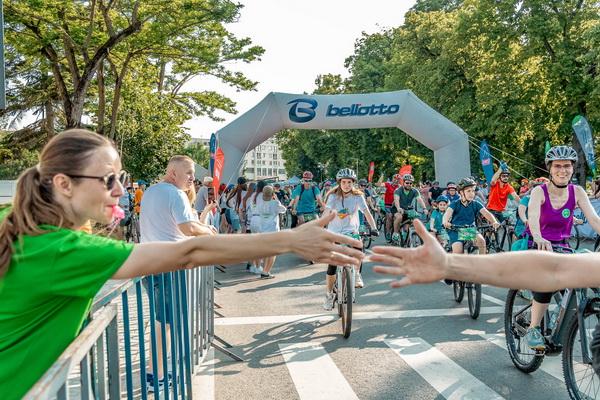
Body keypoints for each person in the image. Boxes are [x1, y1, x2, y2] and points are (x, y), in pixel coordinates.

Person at [0, 129, 365, 400]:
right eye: (109, 179)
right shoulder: (60, 249)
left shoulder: (20, 225)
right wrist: (290, 240)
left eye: (121, 179)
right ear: (63, 184)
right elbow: (189, 252)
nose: (121, 191)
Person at [520, 146, 600, 350]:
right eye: (557, 166)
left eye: (567, 166)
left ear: (572, 168)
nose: (562, 170)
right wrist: (539, 237)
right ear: (550, 168)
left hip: (562, 246)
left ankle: (560, 315)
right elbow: (533, 217)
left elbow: (594, 220)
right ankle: (533, 328)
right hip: (537, 244)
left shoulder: (577, 191)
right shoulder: (539, 191)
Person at [321, 168, 378, 310]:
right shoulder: (333, 196)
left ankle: (357, 274)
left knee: (359, 247)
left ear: (353, 183)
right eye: (344, 182)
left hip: (352, 232)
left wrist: (374, 228)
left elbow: (366, 212)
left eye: (349, 182)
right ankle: (329, 295)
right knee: (332, 265)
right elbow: (326, 213)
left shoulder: (358, 196)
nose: (346, 185)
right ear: (339, 182)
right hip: (334, 233)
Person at [442, 178, 499, 265]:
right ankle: (457, 268)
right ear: (461, 192)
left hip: (469, 229)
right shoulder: (455, 204)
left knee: (481, 241)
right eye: (468, 191)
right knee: (458, 250)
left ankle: (481, 265)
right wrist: (445, 222)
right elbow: (447, 214)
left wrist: (494, 222)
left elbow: (487, 213)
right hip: (456, 230)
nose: (472, 193)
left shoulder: (476, 203)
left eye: (473, 191)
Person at [251, 185, 287, 279]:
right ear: (272, 194)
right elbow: (283, 210)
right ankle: (266, 271)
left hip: (263, 230)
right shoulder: (275, 203)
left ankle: (265, 271)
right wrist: (276, 199)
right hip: (273, 230)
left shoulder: (260, 203)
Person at [392, 174, 429, 242]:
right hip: (396, 208)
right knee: (399, 217)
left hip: (406, 209)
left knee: (409, 223)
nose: (409, 184)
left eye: (410, 183)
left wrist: (424, 208)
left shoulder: (414, 191)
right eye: (407, 183)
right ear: (403, 183)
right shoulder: (398, 190)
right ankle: (395, 233)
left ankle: (406, 240)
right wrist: (398, 208)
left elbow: (419, 199)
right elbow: (396, 200)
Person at [375, 172, 401, 241]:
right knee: (389, 216)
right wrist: (382, 176)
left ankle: (397, 232)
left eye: (397, 180)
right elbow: (379, 184)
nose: (396, 181)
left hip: (396, 205)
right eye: (395, 180)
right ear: (392, 179)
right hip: (387, 204)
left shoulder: (400, 187)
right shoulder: (388, 184)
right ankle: (388, 232)